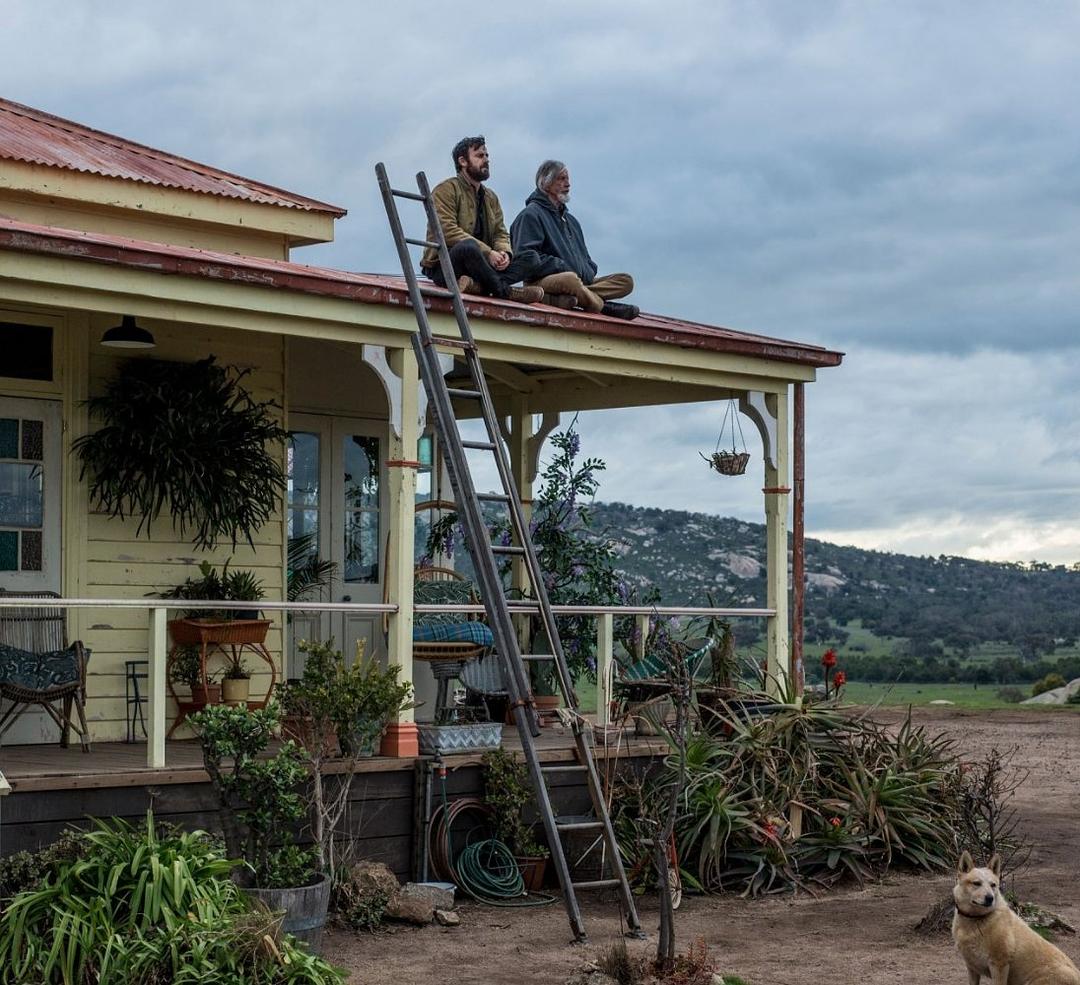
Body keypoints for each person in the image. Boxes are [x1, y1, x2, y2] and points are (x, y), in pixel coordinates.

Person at [420, 136, 545, 304]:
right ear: (463, 161)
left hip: (482, 267)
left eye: (487, 156)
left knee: (532, 258)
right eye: (479, 156)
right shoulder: (446, 190)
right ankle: (504, 291)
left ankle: (478, 286)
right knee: (468, 247)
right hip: (446, 266)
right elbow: (446, 230)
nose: (486, 160)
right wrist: (488, 252)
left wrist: (503, 253)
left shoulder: (491, 197)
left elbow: (500, 232)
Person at [510, 160, 640, 320]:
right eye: (561, 179)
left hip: (580, 281)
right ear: (545, 183)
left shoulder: (572, 221)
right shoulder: (530, 215)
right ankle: (602, 306)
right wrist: (562, 267)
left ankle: (575, 299)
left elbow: (586, 258)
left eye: (568, 179)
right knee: (570, 280)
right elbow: (526, 258)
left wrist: (588, 270)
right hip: (543, 282)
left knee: (625, 281)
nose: (568, 184)